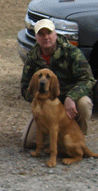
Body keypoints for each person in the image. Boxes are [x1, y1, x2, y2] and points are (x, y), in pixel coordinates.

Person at [20, 19, 96, 148]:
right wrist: (40, 99)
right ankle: (58, 140)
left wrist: (71, 97)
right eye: (41, 34)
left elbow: (88, 79)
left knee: (84, 103)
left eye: (49, 33)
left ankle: (77, 139)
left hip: (70, 100)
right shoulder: (32, 58)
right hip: (47, 103)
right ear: (36, 37)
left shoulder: (72, 52)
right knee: (28, 142)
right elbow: (24, 87)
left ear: (55, 34)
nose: (46, 37)